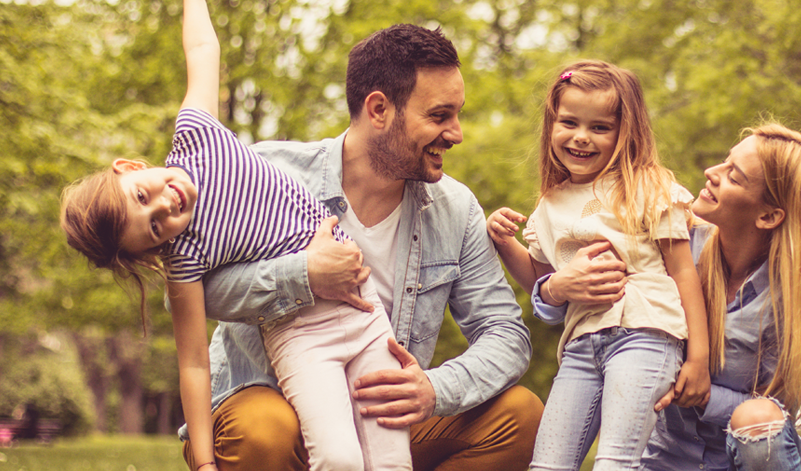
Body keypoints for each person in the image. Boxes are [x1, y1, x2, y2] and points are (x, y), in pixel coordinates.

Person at [60, 1, 410, 469]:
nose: (166, 207)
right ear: (153, 249)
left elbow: (203, 46)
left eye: (143, 197)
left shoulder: (195, 134)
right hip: (299, 336)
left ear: (130, 168)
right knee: (340, 458)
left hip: (361, 310)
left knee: (390, 458)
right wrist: (204, 463)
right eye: (155, 229)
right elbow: (193, 365)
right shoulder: (183, 262)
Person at [186, 23, 543, 471]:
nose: (456, 133)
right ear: (379, 108)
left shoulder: (456, 209)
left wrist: (434, 389)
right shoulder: (267, 171)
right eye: (439, 116)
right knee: (265, 432)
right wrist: (303, 276)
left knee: (521, 416)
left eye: (457, 114)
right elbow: (189, 289)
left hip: (381, 417)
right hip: (271, 403)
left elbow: (506, 334)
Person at [536, 123, 801, 470]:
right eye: (723, 162)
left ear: (768, 215)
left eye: (734, 176)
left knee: (758, 418)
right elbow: (596, 312)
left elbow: (781, 412)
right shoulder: (674, 247)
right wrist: (555, 287)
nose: (711, 173)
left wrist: (703, 395)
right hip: (665, 458)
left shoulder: (788, 299)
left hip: (742, 458)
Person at [484, 60, 710, 470]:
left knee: (616, 462)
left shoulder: (648, 185)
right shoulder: (550, 203)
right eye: (569, 122)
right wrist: (503, 243)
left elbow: (683, 272)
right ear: (552, 124)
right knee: (548, 464)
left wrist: (698, 358)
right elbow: (541, 277)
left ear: (626, 132)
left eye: (600, 127)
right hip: (580, 345)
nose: (581, 138)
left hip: (646, 333)